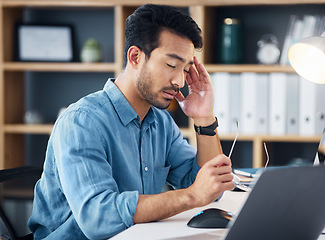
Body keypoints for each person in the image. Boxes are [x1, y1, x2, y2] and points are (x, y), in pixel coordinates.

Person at [28, 4, 235, 239]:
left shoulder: (161, 123)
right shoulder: (81, 123)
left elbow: (208, 189)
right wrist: (191, 196)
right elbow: (98, 218)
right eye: (171, 65)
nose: (179, 80)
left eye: (186, 70)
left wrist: (204, 118)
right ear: (135, 57)